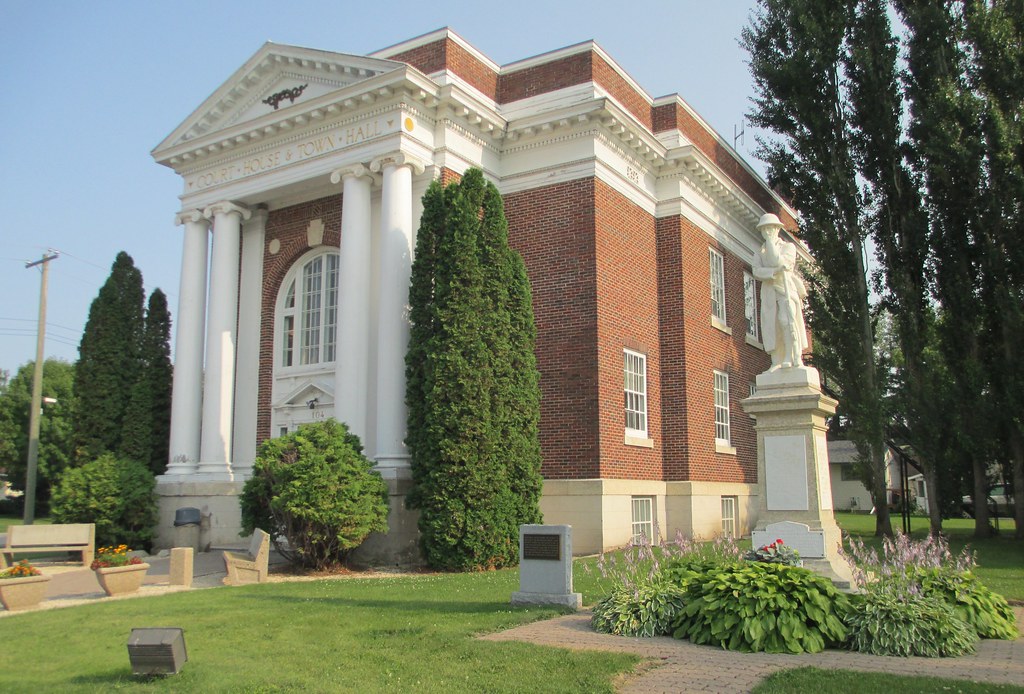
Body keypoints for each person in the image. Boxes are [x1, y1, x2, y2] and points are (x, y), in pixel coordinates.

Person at [751, 213, 807, 371]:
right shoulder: (759, 252)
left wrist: (770, 245)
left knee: (786, 322)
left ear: (777, 229)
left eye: (770, 229)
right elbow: (756, 271)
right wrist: (774, 271)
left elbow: (779, 261)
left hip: (785, 289)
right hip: (769, 292)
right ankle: (776, 361)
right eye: (764, 230)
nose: (767, 232)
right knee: (771, 326)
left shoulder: (788, 247)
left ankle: (792, 356)